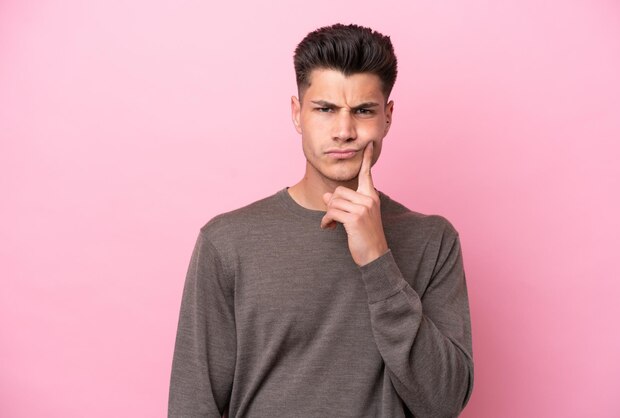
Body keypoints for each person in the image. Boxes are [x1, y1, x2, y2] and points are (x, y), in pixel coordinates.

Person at [168, 23, 474, 417]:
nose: (344, 131)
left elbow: (444, 402)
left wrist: (378, 260)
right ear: (297, 114)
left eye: (363, 111)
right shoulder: (227, 242)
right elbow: (193, 405)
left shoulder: (434, 240)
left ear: (387, 117)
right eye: (325, 109)